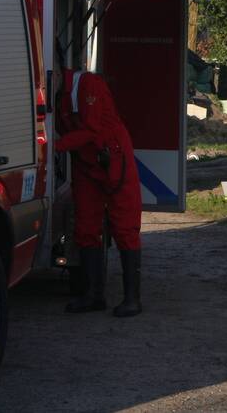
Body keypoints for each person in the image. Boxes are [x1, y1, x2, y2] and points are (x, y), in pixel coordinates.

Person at [55, 69, 142, 318]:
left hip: (112, 159)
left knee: (125, 227)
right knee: (85, 227)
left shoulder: (88, 85)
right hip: (86, 163)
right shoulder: (62, 95)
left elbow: (91, 130)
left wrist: (55, 147)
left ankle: (132, 299)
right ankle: (93, 295)